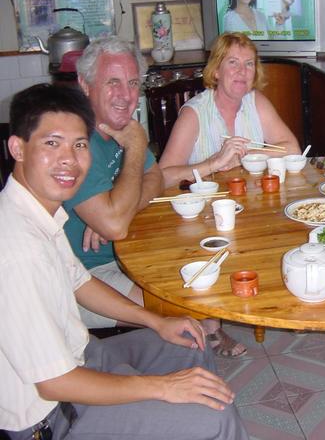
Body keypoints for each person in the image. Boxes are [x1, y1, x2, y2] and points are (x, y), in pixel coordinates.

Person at [0, 83, 248, 439]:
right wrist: (162, 388)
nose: (69, 159)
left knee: (188, 337)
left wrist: (155, 321)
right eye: (51, 143)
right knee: (214, 418)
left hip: (84, 355)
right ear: (17, 148)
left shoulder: (38, 214)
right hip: (54, 417)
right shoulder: (16, 251)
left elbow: (80, 283)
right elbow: (55, 384)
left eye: (79, 145)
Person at [64, 36, 246, 357]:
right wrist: (136, 146)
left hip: (127, 253)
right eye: (113, 82)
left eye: (133, 82)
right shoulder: (77, 141)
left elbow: (156, 178)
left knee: (210, 255)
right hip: (85, 277)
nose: (125, 95)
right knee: (179, 310)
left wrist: (121, 206)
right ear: (85, 83)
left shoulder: (120, 127)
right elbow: (116, 226)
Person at [159, 32, 300, 187]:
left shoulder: (256, 101)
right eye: (233, 62)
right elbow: (163, 177)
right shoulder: (193, 114)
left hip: (252, 201)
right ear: (216, 71)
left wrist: (242, 157)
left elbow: (293, 150)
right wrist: (215, 163)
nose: (242, 71)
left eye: (249, 64)